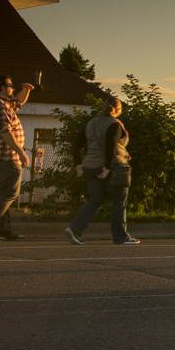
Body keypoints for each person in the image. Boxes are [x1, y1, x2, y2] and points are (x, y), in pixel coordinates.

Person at [64, 95, 140, 245]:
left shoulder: (90, 123)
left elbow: (77, 144)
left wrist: (78, 164)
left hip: (90, 166)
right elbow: (110, 145)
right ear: (118, 109)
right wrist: (108, 167)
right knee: (119, 201)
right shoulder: (114, 124)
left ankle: (75, 228)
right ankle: (120, 237)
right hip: (112, 167)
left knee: (95, 199)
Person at [0, 75, 34, 242]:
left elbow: (18, 102)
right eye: (10, 85)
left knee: (3, 195)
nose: (12, 88)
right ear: (2, 87)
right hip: (6, 156)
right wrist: (21, 152)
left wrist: (26, 90)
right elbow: (5, 131)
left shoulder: (4, 104)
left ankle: (5, 230)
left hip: (0, 157)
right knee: (10, 193)